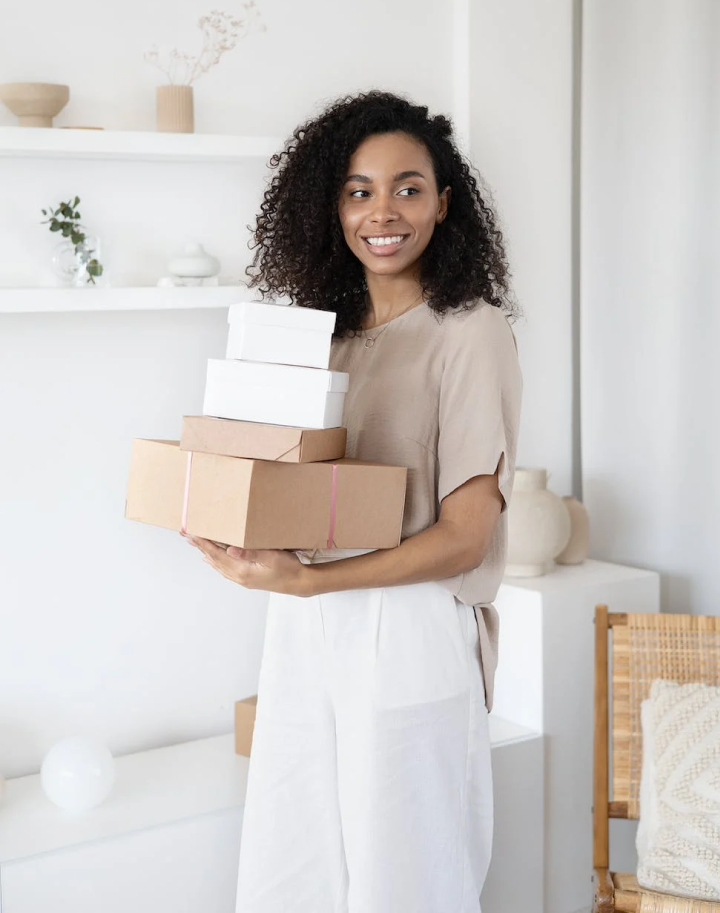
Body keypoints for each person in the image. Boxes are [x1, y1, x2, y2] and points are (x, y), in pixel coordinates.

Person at [183, 89, 523, 913]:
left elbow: (465, 537)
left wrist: (309, 582)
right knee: (291, 860)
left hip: (406, 624)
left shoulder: (469, 331)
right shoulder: (323, 339)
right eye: (359, 190)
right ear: (331, 206)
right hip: (304, 629)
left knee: (407, 879)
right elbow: (294, 493)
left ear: (444, 204)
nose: (383, 211)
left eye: (408, 187)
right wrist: (231, 530)